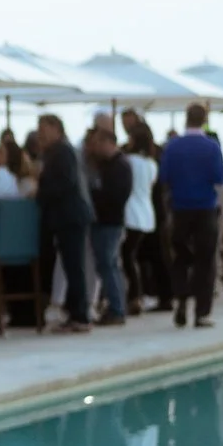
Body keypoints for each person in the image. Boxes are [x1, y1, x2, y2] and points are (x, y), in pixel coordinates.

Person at [163, 105, 223, 328]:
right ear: (204, 120)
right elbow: (219, 178)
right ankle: (201, 312)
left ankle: (181, 300)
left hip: (180, 208)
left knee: (180, 258)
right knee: (205, 260)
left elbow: (165, 177)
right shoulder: (212, 147)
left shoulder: (172, 146)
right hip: (205, 208)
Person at [34, 114, 92, 333]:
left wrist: (41, 192)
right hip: (66, 217)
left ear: (55, 128)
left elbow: (64, 183)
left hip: (70, 216)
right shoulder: (56, 152)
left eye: (43, 129)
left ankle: (80, 315)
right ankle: (75, 312)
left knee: (74, 266)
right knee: (71, 266)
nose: (40, 134)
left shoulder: (62, 152)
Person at [84, 128, 132, 324]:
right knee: (108, 264)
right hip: (104, 221)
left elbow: (115, 196)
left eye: (98, 143)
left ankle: (117, 307)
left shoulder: (119, 166)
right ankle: (116, 305)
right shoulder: (108, 165)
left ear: (108, 142)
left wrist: (94, 198)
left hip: (109, 222)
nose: (94, 148)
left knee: (108, 264)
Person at [120, 114, 165, 314]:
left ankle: (134, 295)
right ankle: (137, 294)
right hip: (147, 214)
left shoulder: (129, 162)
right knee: (134, 256)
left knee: (128, 257)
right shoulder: (151, 164)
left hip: (131, 213)